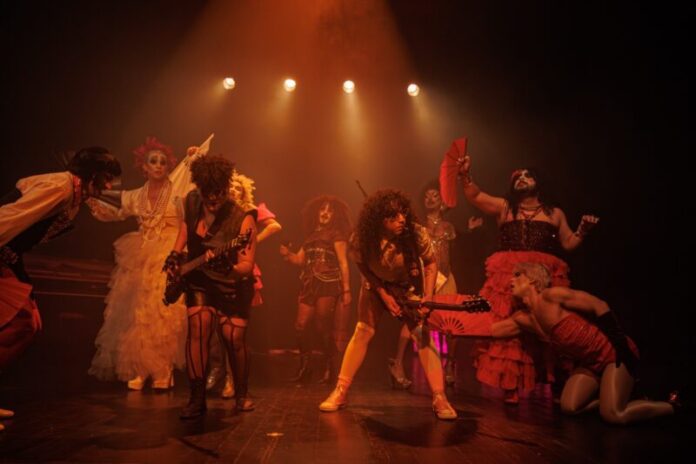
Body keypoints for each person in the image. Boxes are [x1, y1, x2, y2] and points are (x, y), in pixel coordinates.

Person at [459, 156, 598, 403]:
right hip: (510, 274)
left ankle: (555, 382)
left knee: (546, 325)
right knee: (509, 325)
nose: (522, 179)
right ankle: (510, 385)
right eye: (517, 177)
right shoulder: (505, 208)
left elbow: (568, 243)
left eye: (527, 175)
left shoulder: (554, 213)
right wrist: (465, 175)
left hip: (543, 275)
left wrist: (583, 231)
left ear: (538, 182)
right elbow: (476, 196)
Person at [1, 146, 121, 430]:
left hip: (9, 255)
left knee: (30, 324)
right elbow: (9, 217)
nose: (107, 186)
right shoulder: (60, 188)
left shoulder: (72, 193)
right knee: (22, 322)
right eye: (105, 178)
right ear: (91, 174)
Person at [319, 189, 457, 420]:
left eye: (403, 213)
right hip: (376, 284)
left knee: (421, 333)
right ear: (379, 220)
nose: (402, 219)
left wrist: (428, 297)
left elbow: (431, 263)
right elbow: (363, 266)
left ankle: (439, 396)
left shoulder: (415, 233)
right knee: (363, 331)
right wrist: (383, 294)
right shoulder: (362, 238)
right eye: (394, 216)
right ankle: (340, 391)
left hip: (407, 284)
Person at [88, 136, 210, 390]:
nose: (158, 165)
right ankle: (141, 368)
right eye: (153, 161)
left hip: (168, 252)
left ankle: (162, 369)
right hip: (141, 255)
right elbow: (114, 211)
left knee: (163, 312)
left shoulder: (177, 191)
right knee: (138, 313)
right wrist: (88, 198)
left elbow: (188, 218)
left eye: (163, 162)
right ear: (144, 167)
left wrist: (195, 158)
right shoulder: (135, 195)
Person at [490, 263, 674, 424]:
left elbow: (599, 305)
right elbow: (492, 330)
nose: (511, 280)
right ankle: (615, 396)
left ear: (532, 279)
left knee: (614, 415)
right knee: (570, 407)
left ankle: (673, 405)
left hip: (614, 353)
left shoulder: (552, 295)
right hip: (590, 363)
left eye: (517, 275)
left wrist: (621, 345)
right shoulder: (525, 318)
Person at [164, 155, 257, 419]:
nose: (214, 198)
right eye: (208, 193)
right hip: (199, 278)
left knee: (233, 339)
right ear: (200, 187)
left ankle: (241, 395)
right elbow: (185, 228)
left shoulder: (242, 219)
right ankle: (196, 398)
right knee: (198, 328)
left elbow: (247, 265)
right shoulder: (192, 201)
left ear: (226, 188)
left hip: (232, 284)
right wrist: (175, 254)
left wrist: (229, 269)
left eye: (219, 192)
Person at [389, 181, 482, 389]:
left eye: (435, 195)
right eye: (427, 196)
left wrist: (470, 231)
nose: (430, 199)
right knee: (412, 320)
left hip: (446, 278)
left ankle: (449, 366)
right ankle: (397, 364)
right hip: (423, 278)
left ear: (442, 201)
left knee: (452, 323)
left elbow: (463, 252)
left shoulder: (449, 227)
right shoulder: (416, 225)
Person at [206, 170, 281, 398]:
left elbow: (275, 226)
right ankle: (220, 372)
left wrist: (253, 240)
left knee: (235, 331)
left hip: (241, 271)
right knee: (215, 327)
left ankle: (233, 379)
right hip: (217, 270)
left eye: (239, 188)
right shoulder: (219, 211)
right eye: (231, 188)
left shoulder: (250, 210)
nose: (235, 191)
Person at [280, 195, 351, 384]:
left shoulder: (336, 235)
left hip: (328, 282)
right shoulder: (311, 236)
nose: (325, 213)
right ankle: (306, 368)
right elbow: (300, 260)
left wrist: (346, 290)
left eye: (330, 210)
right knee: (300, 326)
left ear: (335, 215)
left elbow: (343, 263)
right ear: (317, 212)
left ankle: (330, 364)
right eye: (322, 209)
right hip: (309, 284)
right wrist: (287, 255)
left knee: (321, 326)